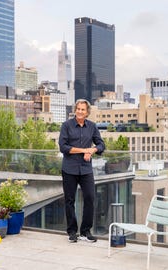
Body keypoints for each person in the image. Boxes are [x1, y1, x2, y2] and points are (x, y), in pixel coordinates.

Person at [59, 99, 105, 243]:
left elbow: (101, 144)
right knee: (69, 200)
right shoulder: (66, 126)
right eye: (78, 109)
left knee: (90, 198)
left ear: (87, 112)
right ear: (75, 110)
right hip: (69, 168)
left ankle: (85, 231)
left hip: (86, 169)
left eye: (82, 109)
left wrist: (92, 150)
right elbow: (63, 147)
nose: (79, 111)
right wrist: (83, 150)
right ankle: (72, 232)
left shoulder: (92, 126)